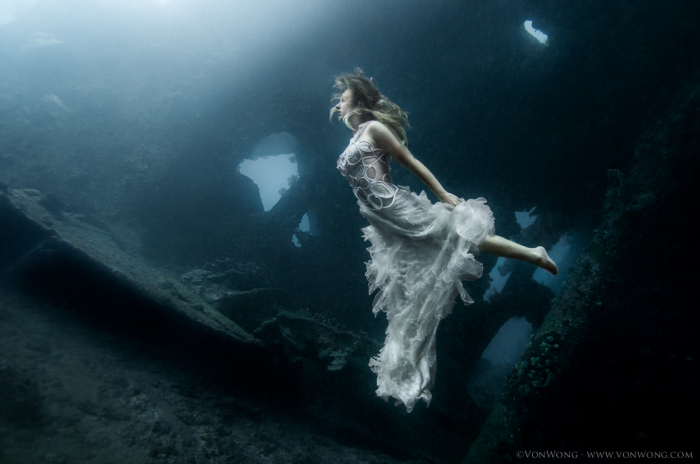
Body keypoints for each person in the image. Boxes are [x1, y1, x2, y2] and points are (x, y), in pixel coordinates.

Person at [332, 68, 557, 412]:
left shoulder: (374, 129)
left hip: (396, 208)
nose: (339, 101)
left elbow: (409, 161)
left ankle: (534, 253)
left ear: (358, 99)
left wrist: (442, 193)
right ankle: (405, 367)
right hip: (383, 223)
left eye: (344, 96)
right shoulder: (356, 135)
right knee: (410, 289)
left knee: (461, 237)